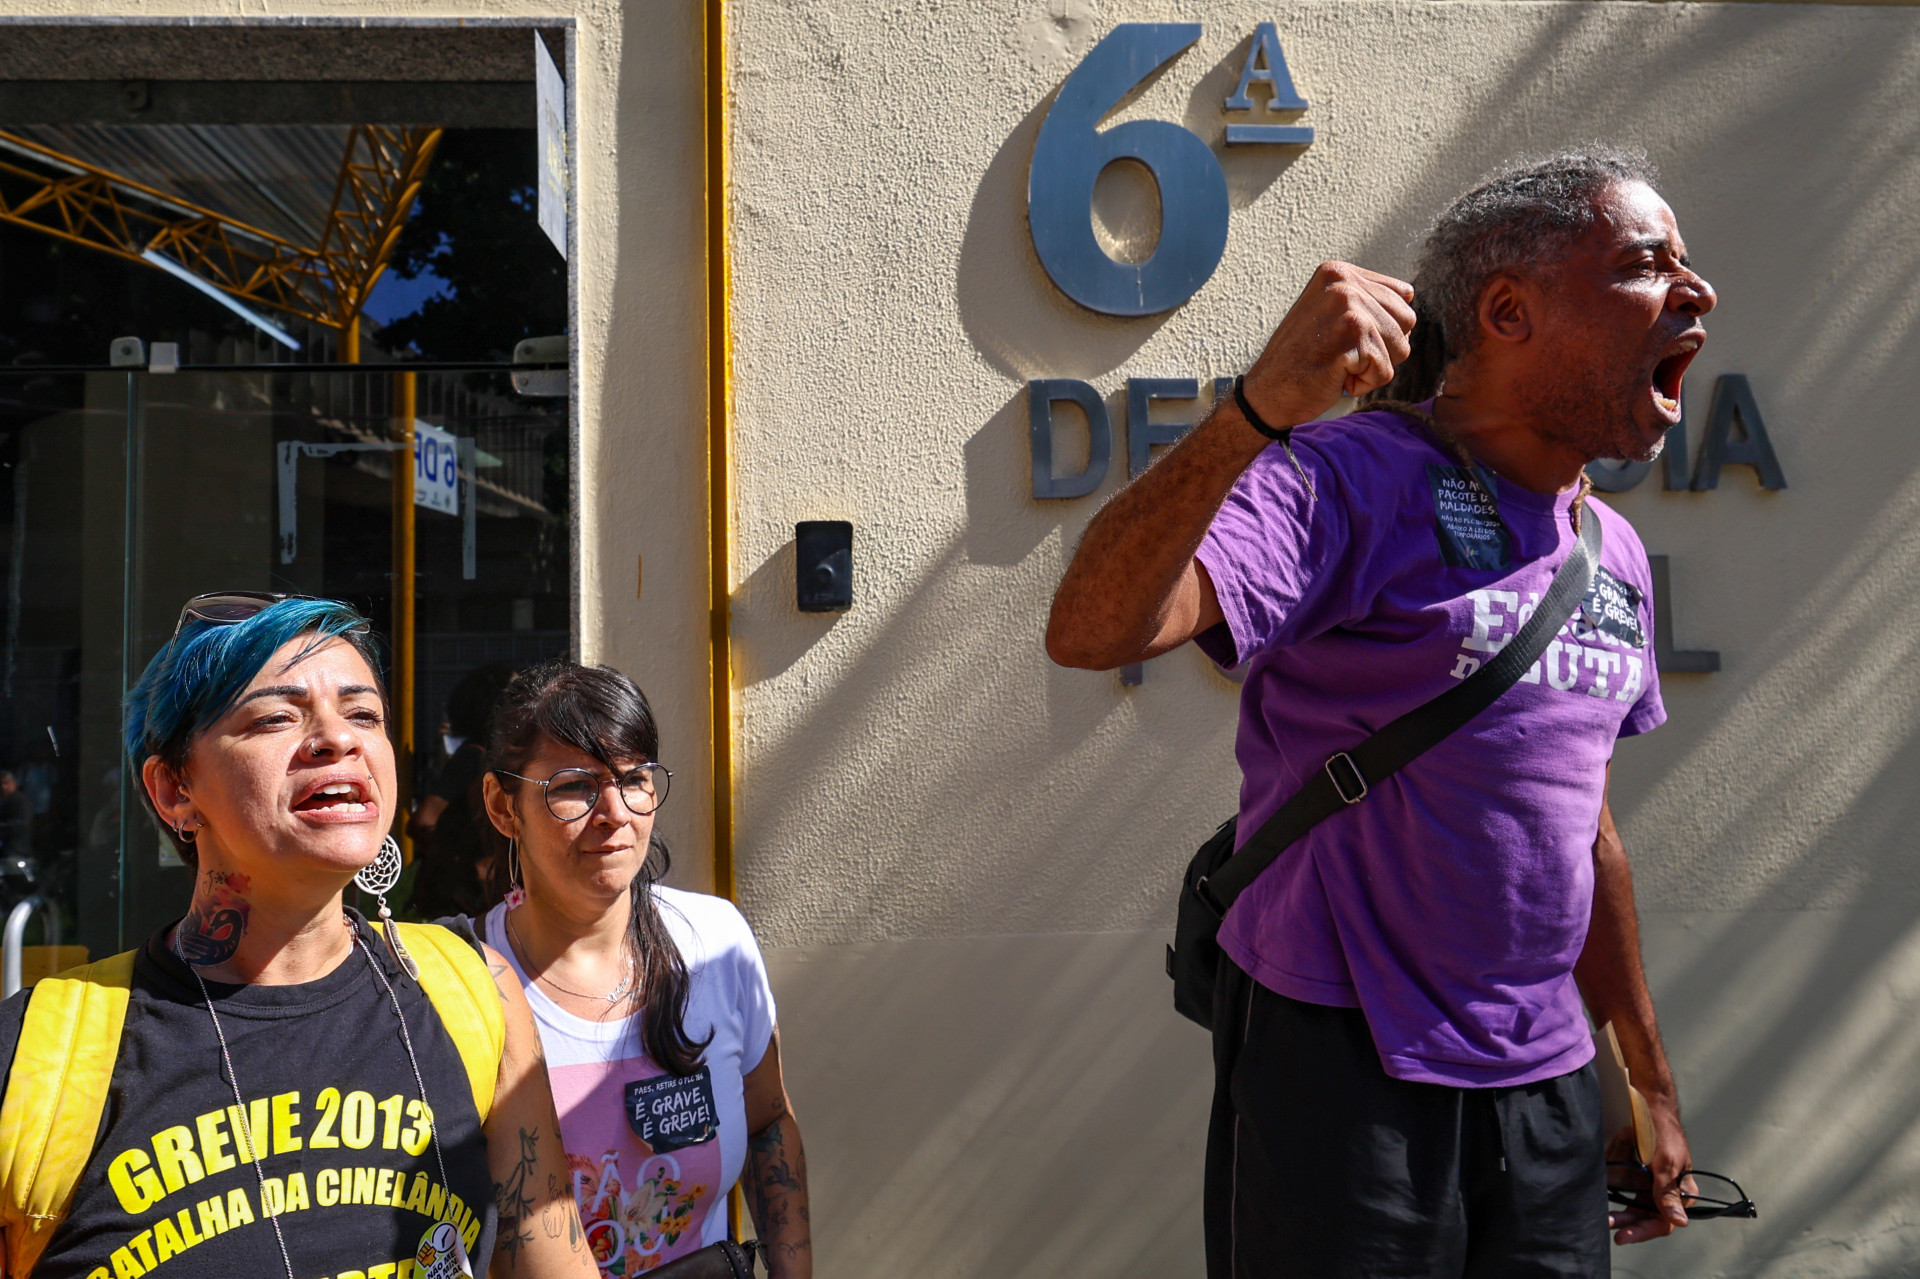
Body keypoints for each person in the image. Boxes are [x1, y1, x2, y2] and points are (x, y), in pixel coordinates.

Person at [1047, 148, 1707, 1277]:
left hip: (1545, 1082)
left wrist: (1645, 1077)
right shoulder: (1346, 480)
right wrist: (1258, 411)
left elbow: (1587, 834)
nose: (1696, 292)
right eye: (1647, 265)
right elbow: (1092, 629)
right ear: (1507, 310)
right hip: (1344, 1065)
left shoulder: (1616, 554)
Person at [0, 592, 596, 1279]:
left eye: (364, 713)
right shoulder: (36, 1059)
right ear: (173, 790)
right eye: (277, 716)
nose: (338, 739)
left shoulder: (476, 992)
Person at [467, 660, 812, 1278]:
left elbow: (767, 1120)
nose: (614, 812)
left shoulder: (715, 944)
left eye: (634, 779)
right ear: (503, 806)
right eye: (574, 785)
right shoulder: (467, 984)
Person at [411, 664, 515, 917]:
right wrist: (466, 860)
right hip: (463, 898)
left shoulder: (486, 757)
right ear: (494, 708)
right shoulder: (472, 759)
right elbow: (423, 820)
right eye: (514, 698)